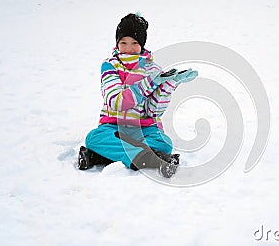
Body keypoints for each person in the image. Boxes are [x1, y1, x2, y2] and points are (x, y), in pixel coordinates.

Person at [77, 13, 198, 177]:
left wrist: (170, 84)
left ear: (142, 44)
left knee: (164, 144)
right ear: (117, 43)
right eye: (123, 43)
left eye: (135, 43)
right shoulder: (109, 66)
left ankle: (99, 156)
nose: (128, 48)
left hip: (144, 128)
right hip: (113, 126)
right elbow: (116, 101)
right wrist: (149, 84)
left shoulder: (152, 69)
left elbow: (153, 111)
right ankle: (154, 159)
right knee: (94, 138)